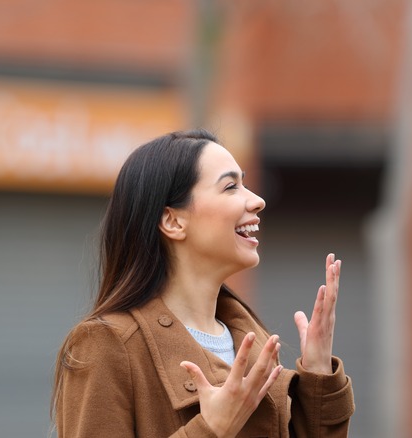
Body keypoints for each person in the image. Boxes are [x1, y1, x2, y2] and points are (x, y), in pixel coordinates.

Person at [51, 129, 354, 437]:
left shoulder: (253, 344)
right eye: (231, 186)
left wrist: (317, 374)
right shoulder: (106, 346)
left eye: (245, 184)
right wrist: (211, 429)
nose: (257, 200)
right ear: (173, 221)